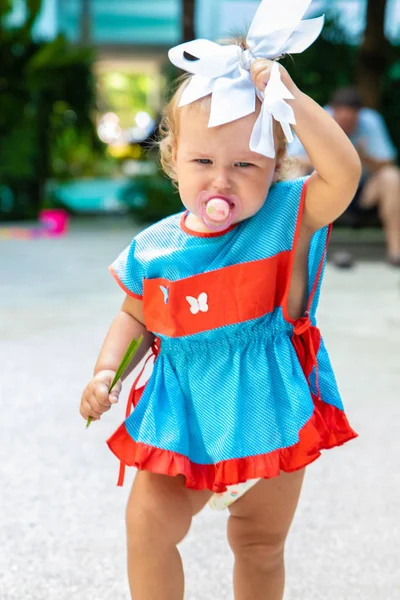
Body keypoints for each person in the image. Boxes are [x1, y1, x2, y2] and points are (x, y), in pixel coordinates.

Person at [80, 1, 361, 598]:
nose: (221, 180)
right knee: (147, 528)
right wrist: (107, 371)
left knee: (260, 546)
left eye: (244, 165)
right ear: (172, 160)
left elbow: (344, 174)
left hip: (269, 413)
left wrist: (291, 100)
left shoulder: (288, 216)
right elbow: (133, 314)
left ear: (276, 167)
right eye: (202, 161)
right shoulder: (155, 249)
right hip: (181, 418)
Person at [287, 87, 400, 267]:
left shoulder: (370, 121)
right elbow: (291, 161)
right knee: (293, 175)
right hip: (324, 192)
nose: (346, 124)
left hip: (362, 193)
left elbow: (388, 163)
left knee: (392, 177)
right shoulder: (317, 118)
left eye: (351, 119)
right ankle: (295, 249)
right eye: (341, 118)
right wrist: (328, 157)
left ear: (359, 115)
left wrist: (362, 156)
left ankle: (396, 252)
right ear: (333, 112)